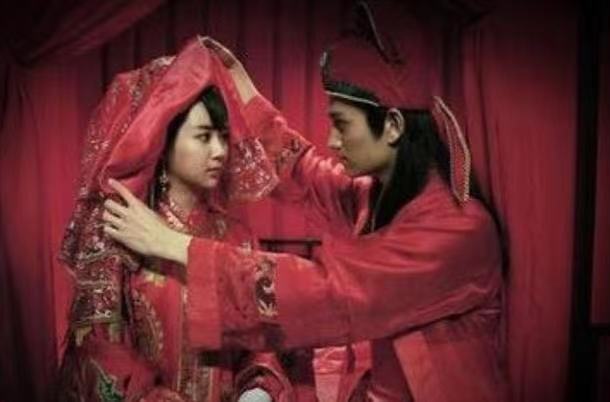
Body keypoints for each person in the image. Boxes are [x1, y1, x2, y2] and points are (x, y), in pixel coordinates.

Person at [102, 2, 510, 401]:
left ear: (392, 126)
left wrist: (175, 245)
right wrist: (245, 91)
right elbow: (303, 172)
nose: (331, 140)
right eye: (202, 136)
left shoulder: (457, 231)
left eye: (341, 124)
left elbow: (328, 293)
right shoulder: (378, 198)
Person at [57, 37, 313, 402]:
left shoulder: (237, 236)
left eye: (223, 137)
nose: (219, 151)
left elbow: (261, 339)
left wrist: (258, 388)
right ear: (163, 142)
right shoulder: (117, 227)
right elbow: (99, 349)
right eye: (204, 137)